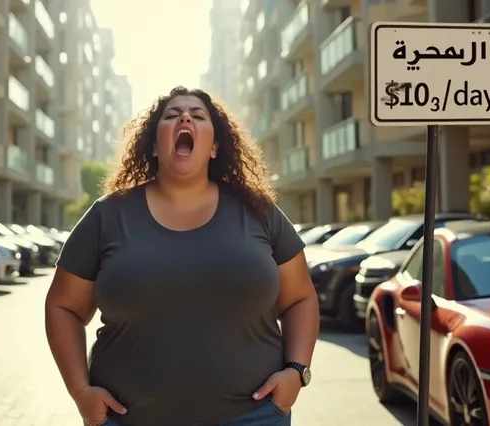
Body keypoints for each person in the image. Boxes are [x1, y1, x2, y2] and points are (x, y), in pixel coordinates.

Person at [45, 86, 319, 426]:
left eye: (198, 115)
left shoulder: (259, 212)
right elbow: (63, 307)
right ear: (155, 145)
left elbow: (301, 299)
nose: (185, 117)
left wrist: (296, 371)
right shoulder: (108, 216)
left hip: (253, 417)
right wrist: (80, 391)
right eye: (172, 115)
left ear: (216, 146)